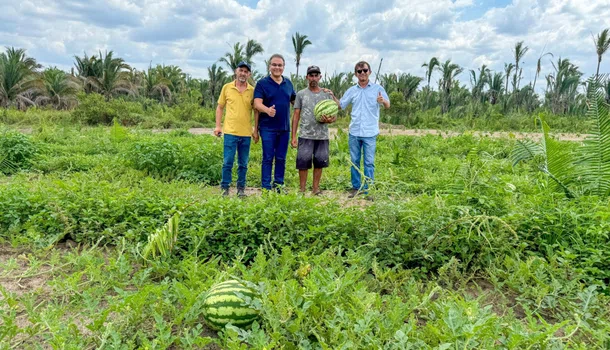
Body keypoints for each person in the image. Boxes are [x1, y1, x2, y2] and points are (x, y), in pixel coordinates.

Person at [328, 60, 390, 199]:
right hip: (355, 131)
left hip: (370, 132)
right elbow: (341, 106)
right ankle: (356, 187)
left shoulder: (377, 89)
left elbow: (388, 105)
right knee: (354, 161)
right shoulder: (352, 90)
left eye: (365, 70)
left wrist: (383, 101)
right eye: (359, 71)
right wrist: (332, 96)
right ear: (356, 74)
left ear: (370, 72)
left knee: (369, 162)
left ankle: (369, 189)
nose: (362, 73)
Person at [214, 61, 259, 197]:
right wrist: (218, 126)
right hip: (230, 132)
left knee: (243, 164)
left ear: (249, 74)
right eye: (241, 71)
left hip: (246, 133)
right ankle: (225, 188)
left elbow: (256, 111)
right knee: (228, 162)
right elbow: (220, 107)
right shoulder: (227, 87)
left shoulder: (252, 90)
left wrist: (255, 130)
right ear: (236, 71)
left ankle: (241, 189)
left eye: (246, 72)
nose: (243, 74)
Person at [290, 65, 336, 195]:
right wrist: (293, 136)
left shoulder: (326, 94)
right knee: (303, 163)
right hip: (305, 135)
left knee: (319, 163)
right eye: (311, 75)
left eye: (316, 75)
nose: (314, 78)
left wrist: (329, 120)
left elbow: (334, 115)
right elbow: (296, 116)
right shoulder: (301, 94)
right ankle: (302, 189)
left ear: (320, 77)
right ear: (307, 77)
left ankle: (315, 189)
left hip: (322, 135)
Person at [253, 53, 296, 192]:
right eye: (274, 65)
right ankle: (266, 187)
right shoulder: (262, 83)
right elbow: (256, 103)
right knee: (267, 158)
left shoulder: (288, 83)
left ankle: (278, 185)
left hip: (284, 128)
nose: (277, 67)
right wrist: (267, 110)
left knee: (281, 158)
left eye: (280, 65)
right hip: (267, 128)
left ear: (283, 67)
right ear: (269, 66)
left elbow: (295, 101)